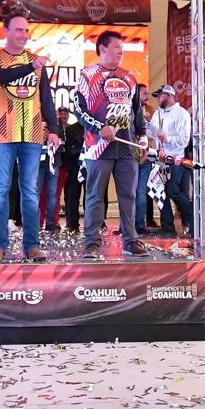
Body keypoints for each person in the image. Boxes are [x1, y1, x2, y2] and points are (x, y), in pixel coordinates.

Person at [0, 13, 61, 263]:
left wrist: (54, 130)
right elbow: (0, 78)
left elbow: (46, 97)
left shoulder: (35, 61)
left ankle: (32, 246)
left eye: (26, 30)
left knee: (30, 191)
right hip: (2, 133)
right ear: (5, 31)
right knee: (0, 190)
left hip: (32, 133)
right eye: (18, 30)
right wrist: (31, 67)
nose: (23, 35)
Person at [74, 30, 148, 259]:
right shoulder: (87, 75)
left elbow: (137, 112)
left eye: (122, 48)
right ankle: (92, 243)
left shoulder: (129, 77)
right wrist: (99, 128)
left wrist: (142, 137)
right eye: (116, 47)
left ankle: (130, 240)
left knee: (129, 195)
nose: (120, 52)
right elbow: (79, 110)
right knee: (95, 195)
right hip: (98, 146)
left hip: (127, 145)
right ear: (102, 48)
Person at [150, 85, 193, 237]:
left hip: (175, 159)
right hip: (158, 159)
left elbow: (184, 140)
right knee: (160, 192)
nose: (157, 98)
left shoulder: (182, 114)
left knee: (173, 191)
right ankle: (167, 225)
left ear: (169, 95)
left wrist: (166, 138)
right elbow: (151, 131)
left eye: (160, 95)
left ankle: (191, 217)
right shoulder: (157, 113)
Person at [61, 106, 85, 233]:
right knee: (73, 195)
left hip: (90, 165)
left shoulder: (93, 129)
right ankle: (72, 223)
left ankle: (93, 222)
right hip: (74, 165)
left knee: (91, 194)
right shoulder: (71, 129)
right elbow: (67, 150)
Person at [134, 84, 154, 235]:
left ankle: (140, 224)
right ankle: (126, 225)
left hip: (145, 155)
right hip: (128, 156)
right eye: (145, 93)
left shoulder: (150, 111)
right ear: (136, 93)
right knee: (127, 192)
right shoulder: (128, 108)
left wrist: (147, 150)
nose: (148, 96)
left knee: (141, 191)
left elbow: (153, 133)